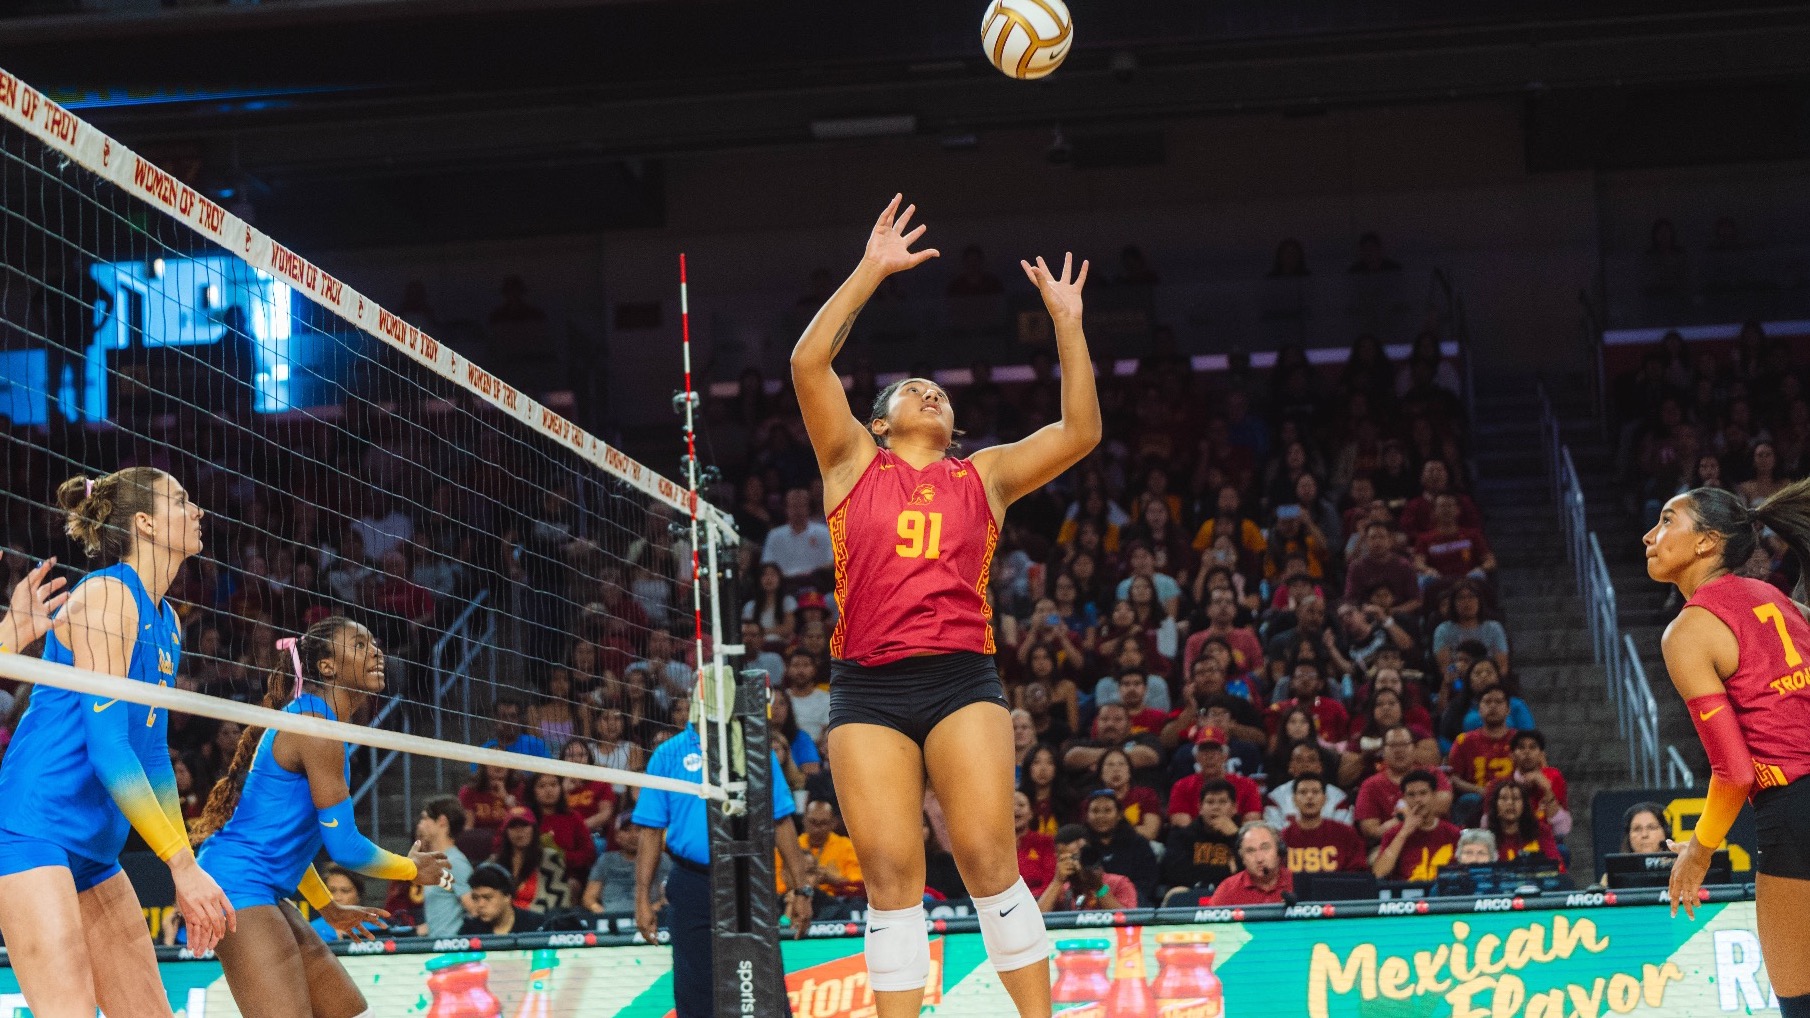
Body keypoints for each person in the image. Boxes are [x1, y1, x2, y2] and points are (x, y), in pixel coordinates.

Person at [791, 197, 1099, 1018]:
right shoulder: (851, 458)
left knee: (989, 857)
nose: (928, 392)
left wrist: (1067, 323)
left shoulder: (986, 475)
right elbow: (808, 363)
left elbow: (1079, 430)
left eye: (937, 391)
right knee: (892, 877)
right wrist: (871, 271)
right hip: (867, 688)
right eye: (910, 390)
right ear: (881, 421)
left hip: (962, 678)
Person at [0, 470, 235, 1018]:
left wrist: (184, 862)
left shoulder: (170, 621)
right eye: (182, 500)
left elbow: (152, 754)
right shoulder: (107, 595)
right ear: (145, 522)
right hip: (35, 830)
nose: (197, 509)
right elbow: (109, 749)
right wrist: (180, 866)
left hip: (97, 848)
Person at [191, 618, 450, 1018]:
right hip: (235, 885)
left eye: (374, 643)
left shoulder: (321, 724)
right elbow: (344, 847)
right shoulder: (315, 728)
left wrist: (326, 907)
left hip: (259, 884)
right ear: (327, 666)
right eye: (360, 645)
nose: (376, 651)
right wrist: (410, 869)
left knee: (344, 1009)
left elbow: (287, 844)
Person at [1645, 484, 1810, 1018]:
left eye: (1668, 520)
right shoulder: (1782, 600)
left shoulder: (1688, 631)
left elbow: (1734, 772)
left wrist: (1699, 850)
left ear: (1706, 542)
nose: (1650, 535)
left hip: (1794, 814)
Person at [633, 679, 816, 1018]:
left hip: (749, 878)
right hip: (691, 882)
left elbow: (782, 821)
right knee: (694, 986)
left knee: (764, 982)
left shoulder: (755, 750)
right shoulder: (668, 753)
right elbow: (650, 832)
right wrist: (641, 898)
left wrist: (801, 888)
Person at [1371, 770, 1462, 881]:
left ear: (1434, 796)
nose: (1418, 799)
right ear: (1404, 799)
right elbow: (1378, 873)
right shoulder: (1394, 834)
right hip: (1407, 895)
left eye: (1423, 793)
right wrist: (1403, 833)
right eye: (1411, 795)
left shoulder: (1453, 833)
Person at [1160, 779, 1239, 901]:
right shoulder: (1181, 836)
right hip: (1191, 897)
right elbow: (1174, 874)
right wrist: (1227, 869)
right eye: (1210, 802)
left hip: (1232, 896)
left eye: (1222, 802)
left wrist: (1235, 836)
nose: (1216, 807)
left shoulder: (1244, 838)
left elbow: (1248, 874)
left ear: (1234, 808)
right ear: (1200, 808)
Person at [1280, 775, 1368, 874]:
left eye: (1315, 792)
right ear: (1294, 800)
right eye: (1303, 792)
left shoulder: (1346, 834)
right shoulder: (1284, 837)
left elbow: (1358, 873)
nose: (1309, 796)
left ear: (1325, 799)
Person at [1036, 825, 1135, 912]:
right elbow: (1036, 921)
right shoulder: (1062, 890)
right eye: (1072, 857)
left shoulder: (1119, 883)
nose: (1078, 861)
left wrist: (1099, 888)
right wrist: (1057, 881)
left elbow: (1127, 920)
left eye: (1080, 855)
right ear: (1058, 859)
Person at [413, 796, 474, 937]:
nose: (420, 825)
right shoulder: (438, 862)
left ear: (442, 821)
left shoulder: (454, 863)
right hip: (435, 948)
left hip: (451, 951)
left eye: (425, 818)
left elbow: (474, 910)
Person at [1209, 822, 1294, 905]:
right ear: (1242, 858)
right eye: (1250, 851)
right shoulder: (1227, 889)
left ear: (1279, 851)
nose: (1259, 859)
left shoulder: (1297, 882)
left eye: (1265, 848)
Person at [1481, 781, 1561, 866]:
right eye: (1504, 798)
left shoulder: (1541, 831)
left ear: (1524, 805)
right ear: (1495, 805)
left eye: (1516, 798)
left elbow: (1556, 865)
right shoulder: (1486, 837)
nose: (1510, 803)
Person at [460, 862, 545, 936]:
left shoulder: (536, 926)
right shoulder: (469, 930)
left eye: (487, 897)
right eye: (476, 898)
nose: (480, 904)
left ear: (507, 896)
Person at [305, 868, 365, 943]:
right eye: (331, 891)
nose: (337, 897)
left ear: (358, 895)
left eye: (345, 891)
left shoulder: (376, 927)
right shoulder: (312, 930)